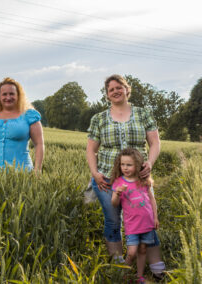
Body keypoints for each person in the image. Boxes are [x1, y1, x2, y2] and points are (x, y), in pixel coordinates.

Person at [86, 74, 165, 278]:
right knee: (113, 220)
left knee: (145, 215)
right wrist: (95, 174)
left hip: (139, 178)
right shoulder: (99, 118)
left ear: (127, 89)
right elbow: (90, 150)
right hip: (107, 180)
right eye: (111, 89)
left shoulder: (143, 114)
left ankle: (156, 266)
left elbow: (155, 143)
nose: (115, 91)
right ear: (107, 95)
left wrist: (149, 163)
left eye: (119, 87)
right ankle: (118, 264)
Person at [0, 77, 44, 172]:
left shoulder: (29, 116)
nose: (8, 97)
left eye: (12, 94)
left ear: (18, 95)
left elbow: (39, 144)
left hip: (21, 175)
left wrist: (37, 170)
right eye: (4, 94)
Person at [111, 148, 159, 283]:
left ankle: (139, 276)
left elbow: (152, 200)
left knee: (143, 249)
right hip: (132, 224)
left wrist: (155, 217)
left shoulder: (143, 180)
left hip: (147, 222)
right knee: (131, 252)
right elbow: (114, 204)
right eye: (122, 164)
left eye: (129, 165)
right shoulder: (119, 182)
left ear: (137, 165)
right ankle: (123, 273)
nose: (125, 168)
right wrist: (117, 194)